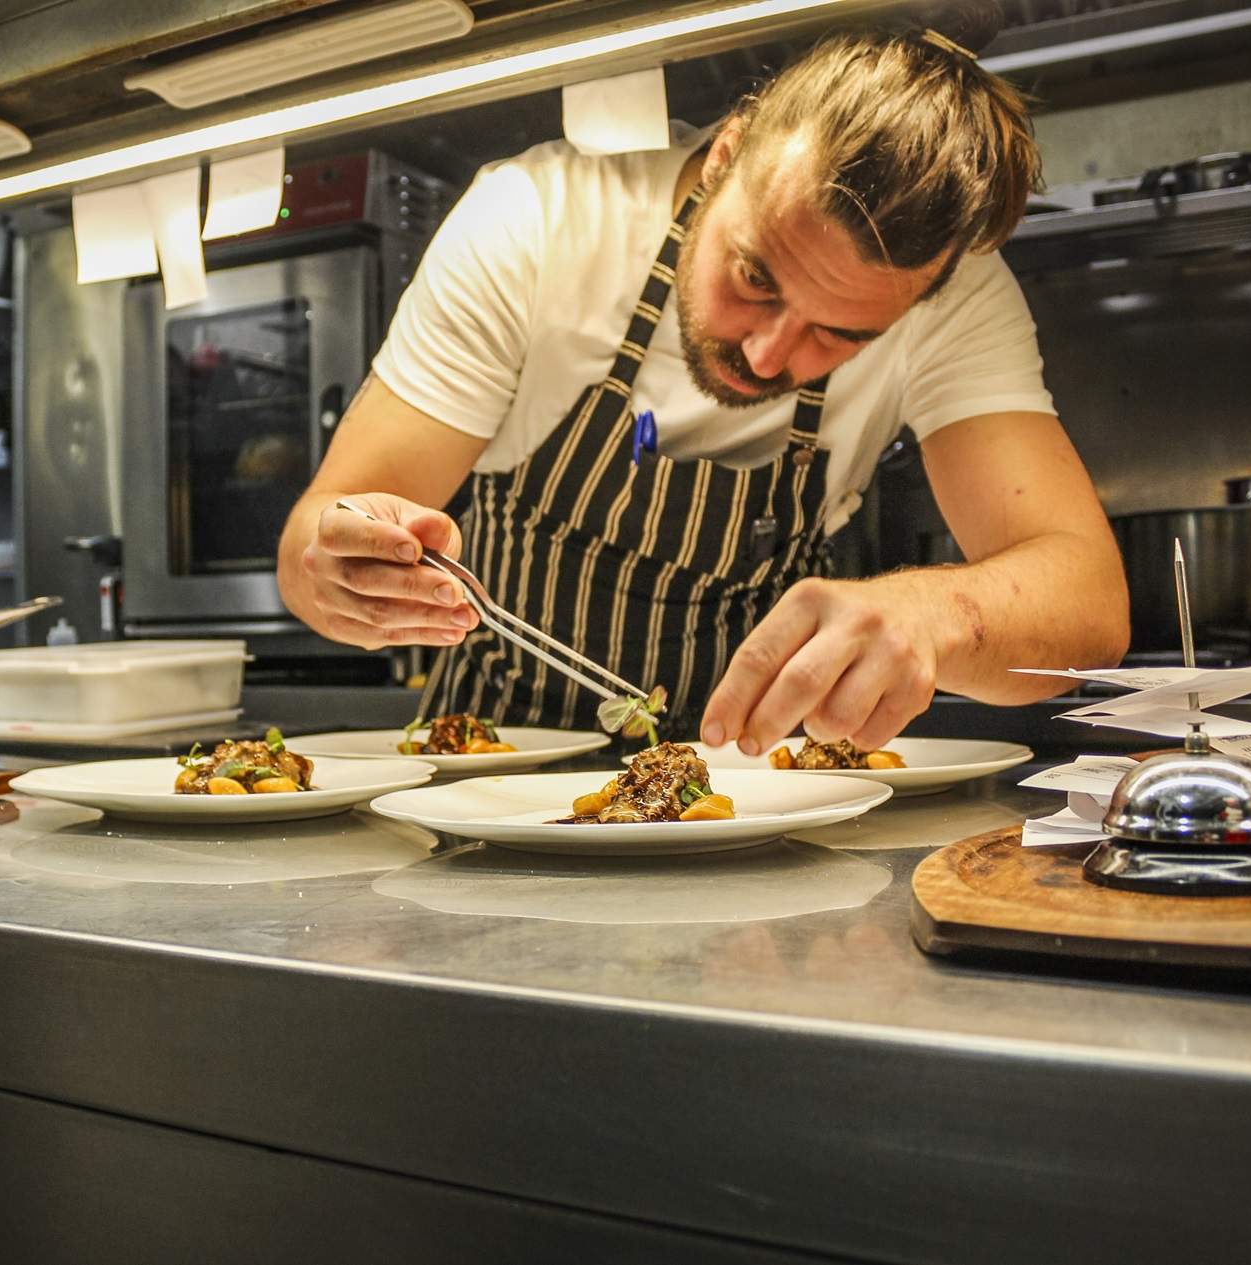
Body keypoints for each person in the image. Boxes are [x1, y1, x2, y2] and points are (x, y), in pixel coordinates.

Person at [277, 5, 1129, 756]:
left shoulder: (957, 296)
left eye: (841, 334)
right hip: (485, 796)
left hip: (747, 811)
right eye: (755, 277)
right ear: (724, 156)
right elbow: (318, 534)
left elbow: (1089, 605)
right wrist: (342, 568)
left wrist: (936, 617)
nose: (767, 356)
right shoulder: (537, 219)